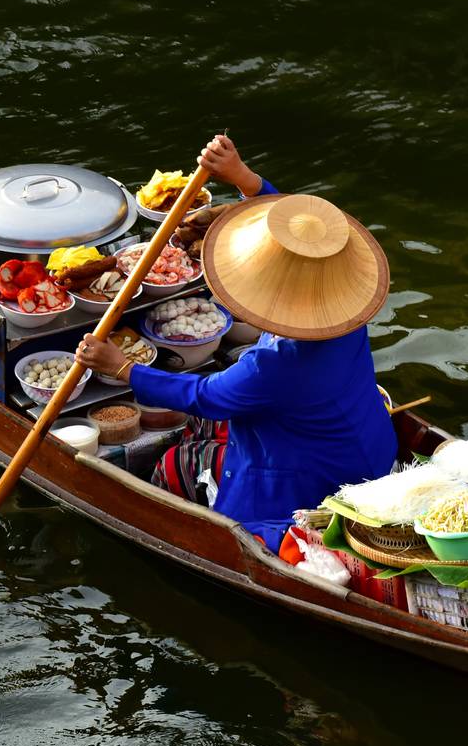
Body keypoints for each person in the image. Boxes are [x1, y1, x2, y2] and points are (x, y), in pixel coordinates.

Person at [74, 184, 397, 551]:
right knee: (199, 424)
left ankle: (177, 537)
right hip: (370, 447)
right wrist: (249, 182)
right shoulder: (345, 314)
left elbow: (204, 395)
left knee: (173, 462)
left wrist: (123, 369)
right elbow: (294, 228)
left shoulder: (274, 366)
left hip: (312, 478)